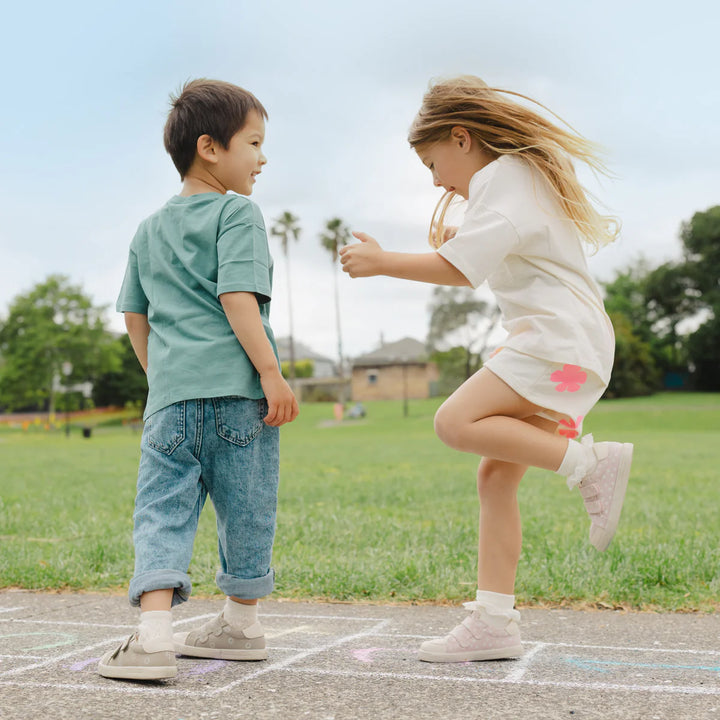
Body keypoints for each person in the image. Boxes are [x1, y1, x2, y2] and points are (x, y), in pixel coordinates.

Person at [340, 76, 632, 664]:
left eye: (432, 162)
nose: (436, 179)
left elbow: (462, 269)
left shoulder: (504, 175)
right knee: (495, 478)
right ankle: (495, 623)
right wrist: (462, 235)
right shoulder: (516, 181)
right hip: (574, 359)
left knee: (453, 421)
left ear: (461, 138)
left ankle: (588, 463)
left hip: (558, 347)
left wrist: (379, 262)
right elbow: (501, 250)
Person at [98, 79, 299, 681]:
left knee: (161, 511)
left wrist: (161, 376)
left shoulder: (147, 229)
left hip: (170, 401)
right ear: (210, 148)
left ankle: (155, 636)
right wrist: (272, 373)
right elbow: (237, 296)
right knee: (248, 506)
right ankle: (241, 625)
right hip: (240, 396)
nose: (262, 158)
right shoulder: (239, 211)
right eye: (254, 143)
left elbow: (135, 316)